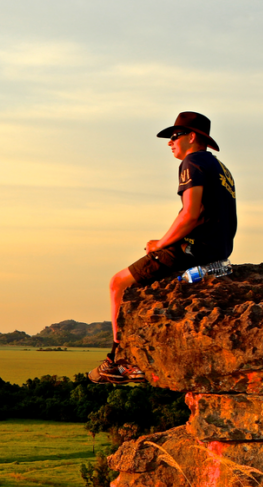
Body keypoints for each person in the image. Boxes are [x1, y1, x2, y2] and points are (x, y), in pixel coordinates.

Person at [89, 112, 237, 384]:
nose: (170, 143)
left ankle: (117, 360)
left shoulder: (192, 162)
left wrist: (160, 243)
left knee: (117, 283)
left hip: (195, 248)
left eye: (174, 136)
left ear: (192, 137)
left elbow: (190, 214)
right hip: (219, 250)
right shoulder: (220, 168)